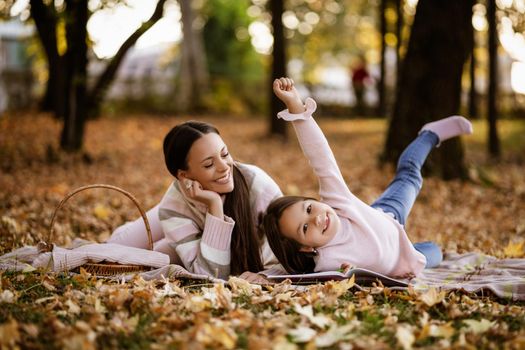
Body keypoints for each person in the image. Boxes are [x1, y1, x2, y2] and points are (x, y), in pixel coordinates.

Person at [262, 77, 473, 277]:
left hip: (387, 215)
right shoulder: (326, 264)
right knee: (434, 253)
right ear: (306, 248)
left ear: (312, 201)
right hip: (403, 256)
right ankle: (420, 249)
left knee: (410, 176)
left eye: (308, 208)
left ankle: (429, 135)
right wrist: (348, 274)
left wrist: (297, 108)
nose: (316, 219)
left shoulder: (338, 201)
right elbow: (331, 279)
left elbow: (319, 155)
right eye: (305, 228)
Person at [108, 121, 283, 280]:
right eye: (209, 164)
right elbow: (210, 274)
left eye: (225, 154)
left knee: (159, 256)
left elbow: (209, 275)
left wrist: (266, 275)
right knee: (113, 250)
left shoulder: (258, 186)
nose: (224, 167)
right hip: (183, 210)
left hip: (197, 240)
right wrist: (215, 205)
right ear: (184, 175)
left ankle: (174, 239)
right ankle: (145, 231)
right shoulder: (173, 206)